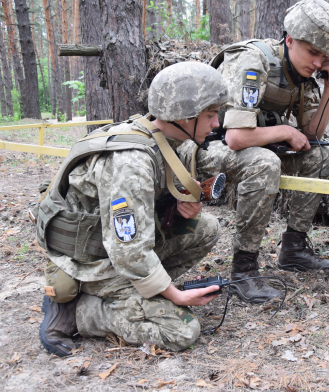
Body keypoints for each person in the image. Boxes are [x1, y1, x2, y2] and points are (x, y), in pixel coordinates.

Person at [37, 62, 229, 356]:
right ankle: (80, 310)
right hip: (91, 260)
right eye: (210, 115)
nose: (216, 124)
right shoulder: (131, 162)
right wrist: (175, 295)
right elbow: (128, 251)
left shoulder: (166, 138)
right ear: (183, 115)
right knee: (182, 331)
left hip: (113, 246)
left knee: (206, 228)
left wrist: (177, 211)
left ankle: (140, 294)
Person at [178, 0, 329, 304]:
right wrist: (283, 131)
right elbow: (236, 138)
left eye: (325, 57)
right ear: (290, 40)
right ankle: (244, 270)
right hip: (206, 145)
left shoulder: (304, 74)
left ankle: (294, 249)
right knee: (265, 163)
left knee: (320, 157)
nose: (318, 62)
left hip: (250, 146)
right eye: (313, 52)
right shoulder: (254, 61)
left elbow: (311, 135)